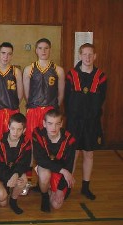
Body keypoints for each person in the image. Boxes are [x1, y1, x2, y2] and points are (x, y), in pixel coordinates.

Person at [65, 43, 107, 200]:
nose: (88, 57)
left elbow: (102, 98)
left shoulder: (101, 76)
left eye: (91, 54)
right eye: (85, 54)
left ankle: (85, 187)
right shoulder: (71, 75)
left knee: (89, 154)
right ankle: (68, 187)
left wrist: (91, 115)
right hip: (74, 122)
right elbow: (67, 100)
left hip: (91, 123)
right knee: (73, 154)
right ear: (80, 55)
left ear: (95, 56)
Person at [22, 38, 65, 191]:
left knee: (50, 146)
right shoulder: (29, 69)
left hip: (50, 114)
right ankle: (29, 181)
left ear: (50, 49)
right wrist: (36, 108)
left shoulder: (58, 70)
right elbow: (27, 95)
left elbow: (60, 95)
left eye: (46, 48)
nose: (43, 51)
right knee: (32, 146)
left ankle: (47, 182)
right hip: (34, 111)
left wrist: (50, 110)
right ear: (36, 50)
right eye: (40, 48)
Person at [32, 109, 76, 212]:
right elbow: (40, 160)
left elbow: (69, 165)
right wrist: (63, 171)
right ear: (44, 123)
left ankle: (50, 188)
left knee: (56, 205)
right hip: (49, 168)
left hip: (61, 173)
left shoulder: (69, 139)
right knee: (44, 174)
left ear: (61, 124)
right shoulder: (37, 134)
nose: (53, 128)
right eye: (50, 123)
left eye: (57, 124)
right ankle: (45, 196)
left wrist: (60, 189)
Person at [0, 113, 31, 214]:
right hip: (1, 172)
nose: (15, 132)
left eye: (19, 129)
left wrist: (16, 174)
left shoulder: (26, 142)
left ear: (24, 130)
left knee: (23, 179)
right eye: (13, 128)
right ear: (8, 126)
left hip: (15, 170)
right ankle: (4, 189)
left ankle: (13, 200)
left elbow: (24, 163)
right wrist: (8, 178)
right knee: (2, 202)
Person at [0, 42, 23, 141]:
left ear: (12, 56)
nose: (6, 56)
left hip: (12, 112)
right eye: (3, 53)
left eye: (9, 54)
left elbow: (20, 94)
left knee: (12, 141)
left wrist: (13, 106)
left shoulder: (16, 72)